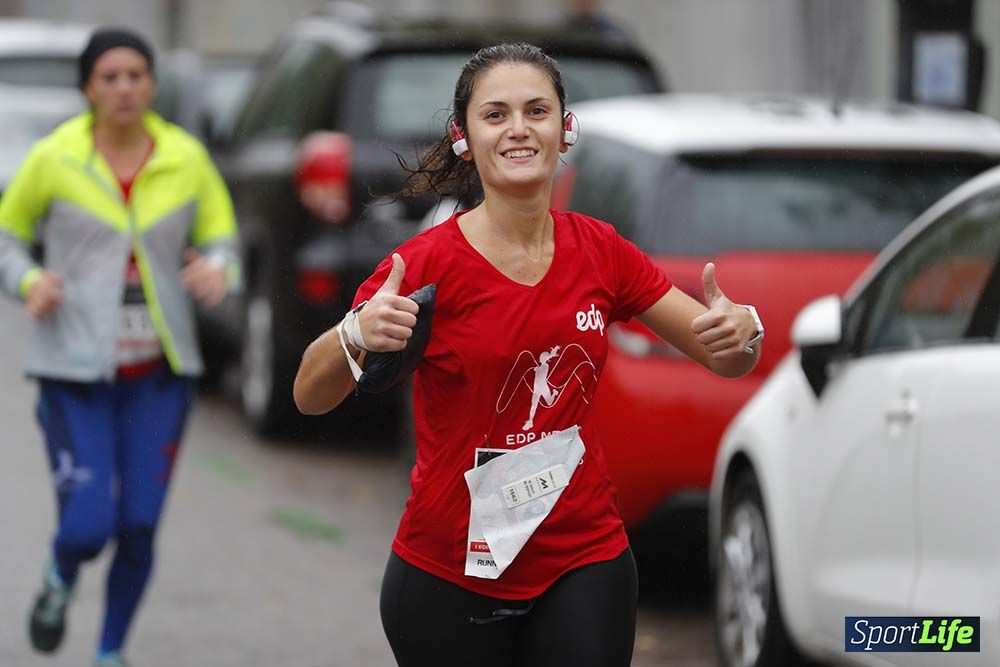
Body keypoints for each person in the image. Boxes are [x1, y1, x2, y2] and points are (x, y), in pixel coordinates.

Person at [293, 42, 763, 667]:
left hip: (583, 556)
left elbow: (726, 358)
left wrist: (743, 330)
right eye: (496, 115)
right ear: (464, 138)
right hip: (448, 568)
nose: (518, 129)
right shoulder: (425, 264)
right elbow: (309, 395)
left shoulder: (600, 250)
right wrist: (355, 333)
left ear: (565, 130)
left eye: (537, 111)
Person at [0, 28, 240, 667]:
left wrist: (218, 268)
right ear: (87, 88)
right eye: (110, 76)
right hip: (73, 373)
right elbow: (8, 235)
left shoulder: (185, 157)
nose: (125, 87)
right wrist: (28, 279)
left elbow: (224, 239)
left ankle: (110, 652)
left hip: (158, 376)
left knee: (137, 525)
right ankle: (59, 575)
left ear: (152, 84)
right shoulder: (55, 158)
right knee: (86, 526)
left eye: (137, 74)